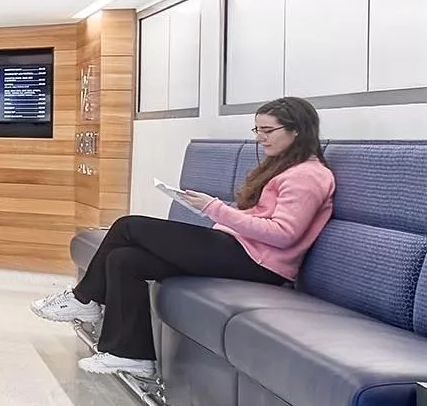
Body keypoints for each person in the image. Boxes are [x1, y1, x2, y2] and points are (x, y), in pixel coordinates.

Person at [32, 96, 335, 375]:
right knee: (125, 260)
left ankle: (84, 298)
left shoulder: (308, 176)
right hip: (241, 251)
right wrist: (212, 212)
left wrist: (215, 209)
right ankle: (130, 354)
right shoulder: (284, 169)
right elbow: (258, 219)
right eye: (257, 129)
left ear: (297, 131)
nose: (260, 138)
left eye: (268, 130)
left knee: (128, 226)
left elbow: (283, 234)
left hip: (260, 265)